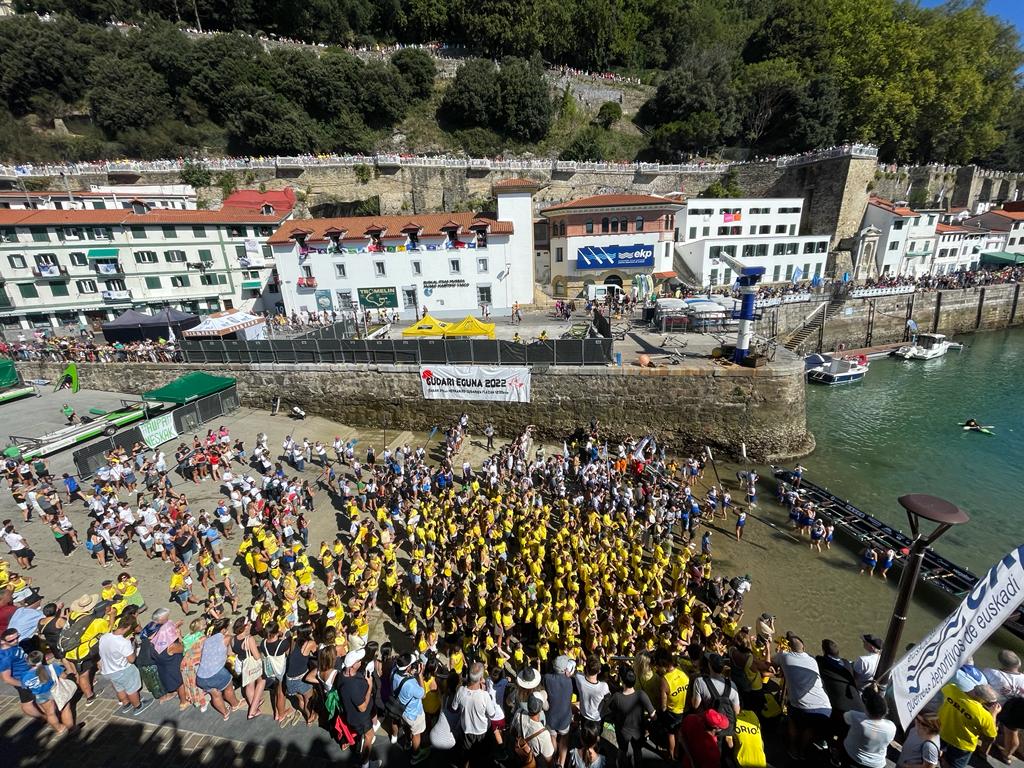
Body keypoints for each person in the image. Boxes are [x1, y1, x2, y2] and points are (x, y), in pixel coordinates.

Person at [773, 632, 832, 761]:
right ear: (804, 648)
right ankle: (803, 751)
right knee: (809, 728)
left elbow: (773, 662)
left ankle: (793, 749)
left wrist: (780, 651)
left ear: (789, 647)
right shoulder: (812, 659)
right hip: (824, 707)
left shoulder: (784, 656)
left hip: (800, 706)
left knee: (792, 720)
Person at [938, 667, 999, 768]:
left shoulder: (952, 690)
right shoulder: (984, 715)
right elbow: (991, 736)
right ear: (984, 700)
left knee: (936, 751)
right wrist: (994, 714)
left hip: (942, 732)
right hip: (962, 745)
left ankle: (941, 757)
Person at [98, 613, 153, 715]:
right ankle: (138, 706)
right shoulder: (123, 642)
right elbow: (131, 660)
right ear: (127, 627)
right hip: (122, 670)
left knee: (119, 688)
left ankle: (126, 704)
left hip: (108, 670)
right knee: (131, 689)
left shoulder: (104, 637)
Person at [601, 667, 654, 768]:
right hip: (638, 732)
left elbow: (605, 710)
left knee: (622, 751)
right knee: (637, 751)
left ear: (622, 681)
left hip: (622, 732)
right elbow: (653, 715)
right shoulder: (641, 694)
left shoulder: (616, 697)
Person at [453, 661, 501, 767]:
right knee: (481, 757)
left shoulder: (460, 691)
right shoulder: (484, 696)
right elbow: (492, 715)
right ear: (480, 679)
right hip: (482, 733)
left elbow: (454, 709)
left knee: (466, 756)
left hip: (466, 731)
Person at [340, 648, 380, 768]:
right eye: (359, 661)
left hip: (354, 716)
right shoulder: (353, 686)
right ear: (352, 666)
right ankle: (365, 764)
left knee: (366, 736)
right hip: (361, 719)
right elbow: (362, 707)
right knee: (370, 736)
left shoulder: (343, 674)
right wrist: (369, 686)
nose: (361, 662)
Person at [195, 617, 241, 720]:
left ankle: (225, 713)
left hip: (201, 676)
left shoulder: (207, 640)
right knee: (228, 688)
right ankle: (235, 704)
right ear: (224, 629)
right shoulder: (226, 638)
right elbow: (230, 652)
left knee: (215, 695)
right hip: (217, 673)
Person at [983, 649, 1024, 763]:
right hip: (1015, 711)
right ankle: (1007, 755)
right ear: (1018, 664)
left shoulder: (990, 672)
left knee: (991, 729)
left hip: (994, 708)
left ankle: (983, 751)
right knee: (1012, 731)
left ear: (1001, 662)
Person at [842, 687, 897, 768]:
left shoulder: (855, 716)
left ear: (866, 708)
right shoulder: (892, 727)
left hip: (852, 756)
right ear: (885, 711)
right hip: (877, 764)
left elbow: (845, 717)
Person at [391, 653, 428, 762]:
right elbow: (423, 694)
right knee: (416, 734)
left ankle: (408, 742)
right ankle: (416, 755)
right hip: (414, 714)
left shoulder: (394, 672)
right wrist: (420, 675)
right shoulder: (411, 683)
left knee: (407, 727)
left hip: (402, 711)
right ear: (408, 668)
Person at [544, 655, 575, 768]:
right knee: (564, 739)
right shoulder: (569, 681)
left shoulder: (547, 677)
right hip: (565, 716)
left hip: (551, 716)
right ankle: (561, 764)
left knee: (553, 738)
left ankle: (553, 760)